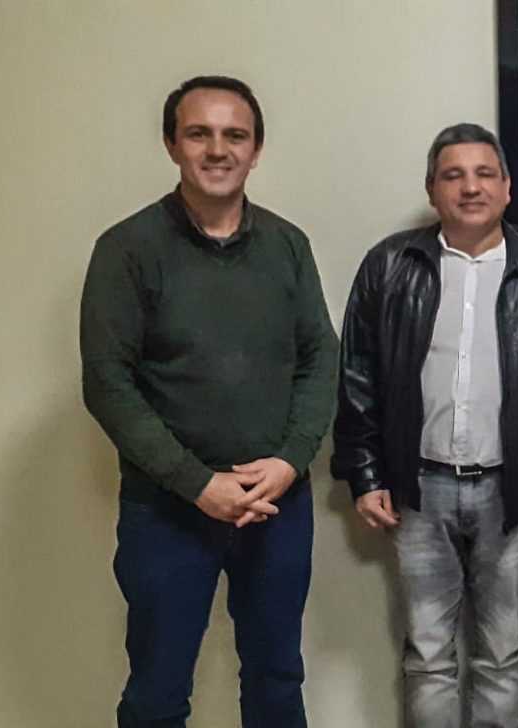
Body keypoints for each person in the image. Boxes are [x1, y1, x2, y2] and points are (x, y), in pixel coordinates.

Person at [80, 75, 337, 727]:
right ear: (172, 145)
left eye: (234, 135)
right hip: (167, 512)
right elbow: (108, 383)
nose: (218, 149)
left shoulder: (287, 245)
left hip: (276, 505)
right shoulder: (127, 250)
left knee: (277, 679)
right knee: (159, 693)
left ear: (256, 150)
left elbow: (320, 358)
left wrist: (290, 461)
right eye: (199, 134)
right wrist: (197, 483)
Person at [332, 122, 518, 728]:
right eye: (453, 176)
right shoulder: (389, 266)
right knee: (427, 654)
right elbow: (358, 377)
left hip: (512, 492)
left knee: (500, 654)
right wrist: (365, 475)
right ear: (432, 190)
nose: (470, 188)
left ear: (507, 188)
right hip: (417, 491)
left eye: (484, 174)